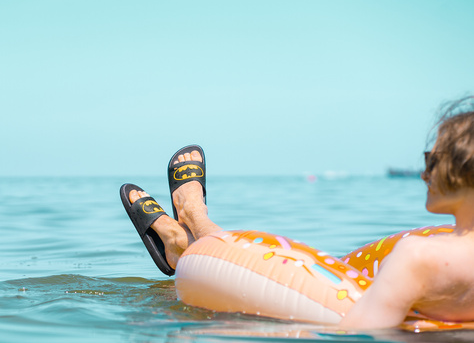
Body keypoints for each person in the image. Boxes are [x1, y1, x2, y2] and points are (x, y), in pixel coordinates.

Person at [124, 97, 474, 329]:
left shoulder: (421, 256)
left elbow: (356, 335)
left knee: (238, 267)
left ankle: (192, 223)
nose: (424, 172)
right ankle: (186, 237)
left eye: (432, 160)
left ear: (462, 172)